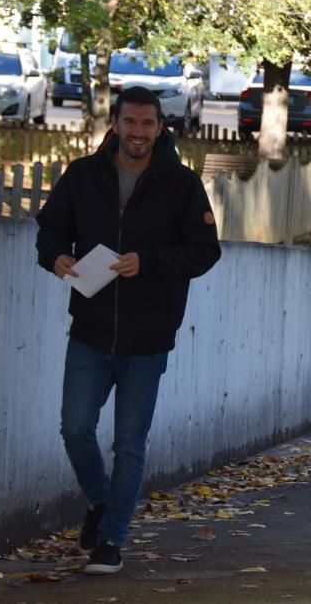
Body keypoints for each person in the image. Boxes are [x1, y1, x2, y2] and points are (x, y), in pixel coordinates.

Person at [35, 87, 221, 575]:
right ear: (114, 124)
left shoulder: (181, 184)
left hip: (148, 335)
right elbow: (50, 228)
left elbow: (205, 250)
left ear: (160, 127)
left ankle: (112, 539)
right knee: (74, 428)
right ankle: (100, 504)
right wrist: (55, 256)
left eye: (147, 123)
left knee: (129, 445)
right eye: (130, 122)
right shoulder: (83, 175)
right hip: (90, 329)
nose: (138, 132)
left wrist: (152, 261)